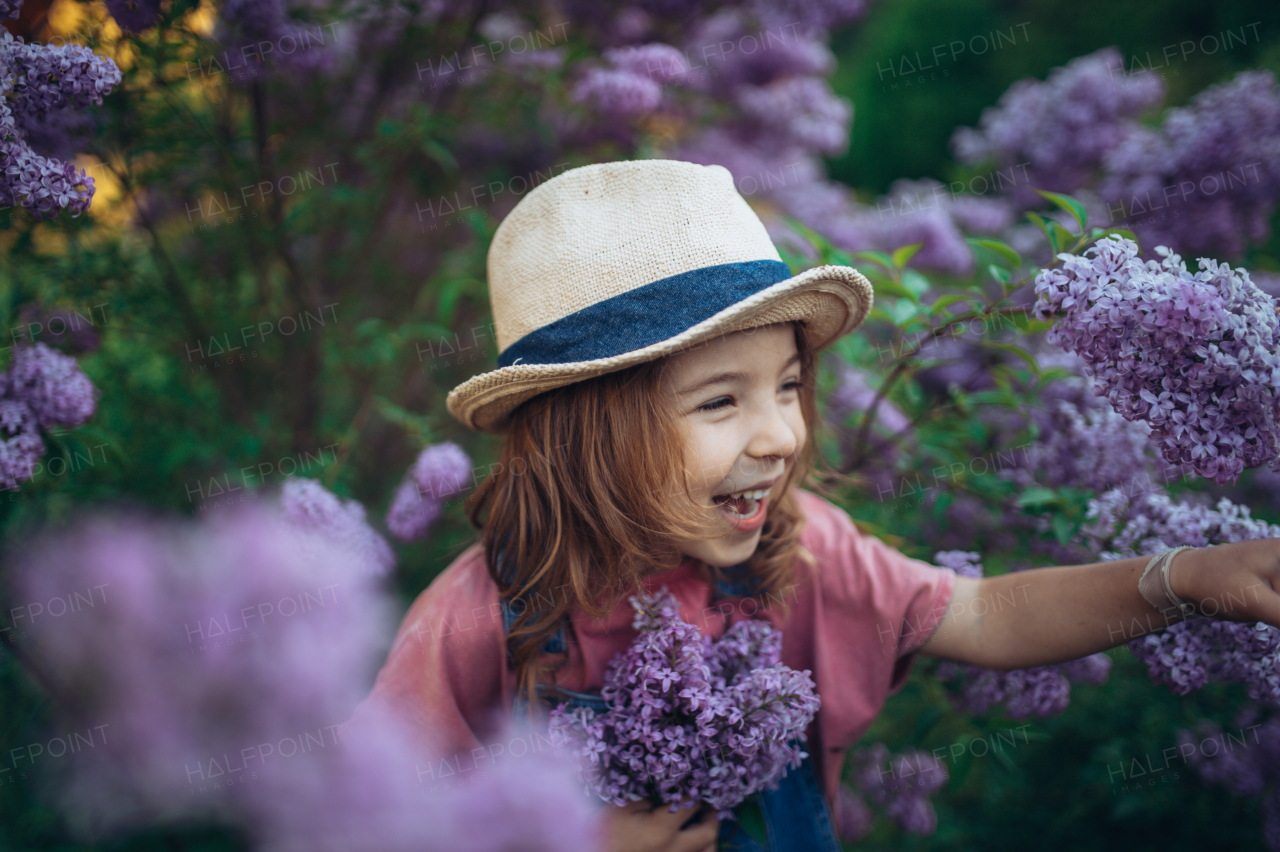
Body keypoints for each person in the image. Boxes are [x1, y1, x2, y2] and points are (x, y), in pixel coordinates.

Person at [346, 159, 1280, 852]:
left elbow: (985, 613)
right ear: (582, 434)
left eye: (788, 387)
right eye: (721, 401)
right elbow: (362, 818)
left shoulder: (797, 550)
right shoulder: (486, 617)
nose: (782, 437)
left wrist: (1185, 578)